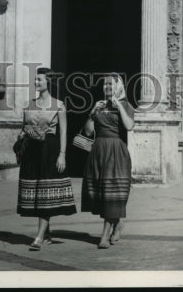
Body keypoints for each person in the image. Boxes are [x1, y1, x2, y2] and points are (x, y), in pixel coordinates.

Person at [16, 67, 76, 250]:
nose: (36, 83)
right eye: (35, 80)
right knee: (36, 192)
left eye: (39, 80)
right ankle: (47, 232)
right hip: (32, 152)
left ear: (48, 82)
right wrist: (22, 134)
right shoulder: (28, 105)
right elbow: (22, 127)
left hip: (50, 149)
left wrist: (62, 155)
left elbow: (64, 132)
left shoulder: (58, 105)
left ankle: (39, 237)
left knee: (45, 193)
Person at [81, 73, 135, 249]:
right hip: (98, 150)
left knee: (111, 192)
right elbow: (88, 132)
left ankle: (104, 234)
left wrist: (118, 105)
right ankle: (118, 222)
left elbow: (129, 126)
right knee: (102, 193)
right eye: (105, 84)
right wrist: (92, 113)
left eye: (111, 84)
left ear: (118, 87)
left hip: (116, 152)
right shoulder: (99, 105)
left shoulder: (125, 105)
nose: (107, 87)